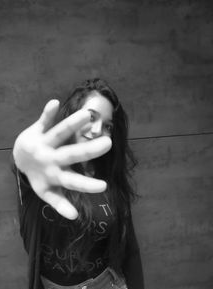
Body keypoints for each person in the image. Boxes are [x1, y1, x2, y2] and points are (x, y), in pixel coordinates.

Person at [13, 78, 144, 289]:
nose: (96, 130)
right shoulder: (44, 173)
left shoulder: (109, 177)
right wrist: (23, 160)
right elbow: (27, 167)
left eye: (107, 125)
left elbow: (130, 250)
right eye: (91, 117)